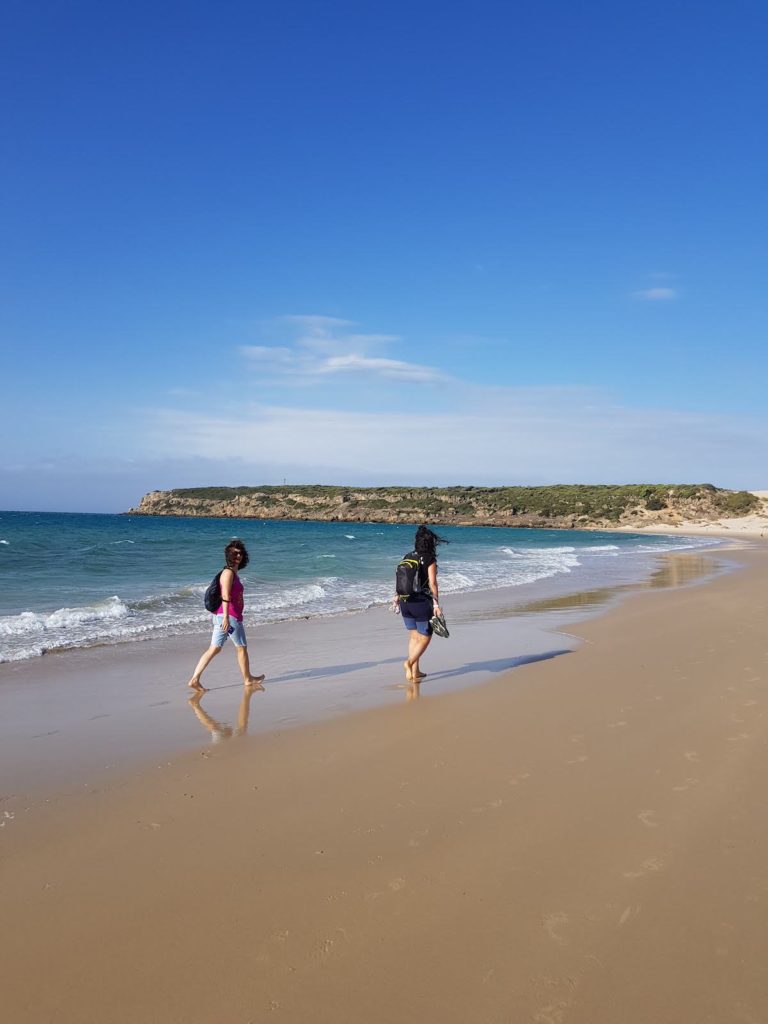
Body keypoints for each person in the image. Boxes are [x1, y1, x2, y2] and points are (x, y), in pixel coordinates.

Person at [187, 539, 266, 691]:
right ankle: (248, 679)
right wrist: (226, 619)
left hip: (224, 616)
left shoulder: (233, 574)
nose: (238, 556)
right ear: (228, 556)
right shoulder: (228, 573)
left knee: (214, 648)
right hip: (229, 617)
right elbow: (225, 596)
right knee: (241, 648)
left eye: (240, 553)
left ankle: (194, 679)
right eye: (234, 553)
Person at [396, 525, 446, 684]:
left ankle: (415, 671)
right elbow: (432, 583)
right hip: (420, 603)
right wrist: (436, 604)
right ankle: (409, 663)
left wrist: (396, 597)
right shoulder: (429, 559)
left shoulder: (408, 555)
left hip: (405, 602)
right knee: (425, 637)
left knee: (414, 637)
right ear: (431, 543)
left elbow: (401, 579)